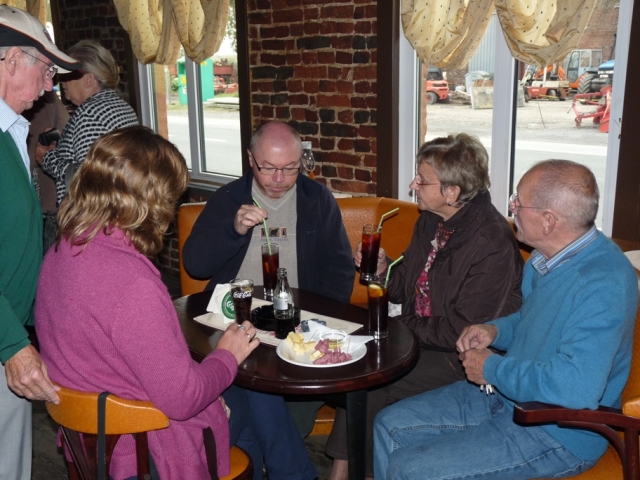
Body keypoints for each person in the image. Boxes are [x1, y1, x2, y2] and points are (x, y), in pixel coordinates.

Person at [35, 126, 317, 480]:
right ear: (151, 201)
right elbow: (183, 399)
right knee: (251, 390)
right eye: (171, 198)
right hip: (142, 449)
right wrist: (227, 355)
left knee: (245, 397)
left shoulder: (63, 249)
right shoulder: (132, 282)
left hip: (91, 435)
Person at [374, 160, 638, 479]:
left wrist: (492, 369)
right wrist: (495, 330)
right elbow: (530, 320)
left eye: (517, 202)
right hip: (506, 397)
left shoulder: (604, 284)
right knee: (388, 424)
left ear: (548, 221)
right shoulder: (544, 259)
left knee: (410, 468)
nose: (511, 208)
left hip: (556, 431)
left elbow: (575, 389)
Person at [325, 133, 524, 479]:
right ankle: (344, 471)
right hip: (421, 337)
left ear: (452, 192)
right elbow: (403, 289)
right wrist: (383, 270)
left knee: (372, 376)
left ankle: (359, 472)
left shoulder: (491, 242)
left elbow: (461, 330)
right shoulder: (431, 219)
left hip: (463, 355)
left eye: (421, 179)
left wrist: (396, 329)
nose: (412, 185)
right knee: (363, 366)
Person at [183, 121, 355, 435]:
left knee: (286, 410)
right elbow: (195, 264)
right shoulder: (228, 199)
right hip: (234, 324)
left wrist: (313, 323)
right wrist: (233, 231)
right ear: (250, 159)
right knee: (251, 408)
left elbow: (340, 271)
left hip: (296, 329)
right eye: (268, 168)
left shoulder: (317, 200)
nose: (279, 179)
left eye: (290, 168)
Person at [0, 5, 82, 479]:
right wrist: (13, 344)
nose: (51, 85)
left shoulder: (12, 129)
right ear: (12, 61)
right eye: (46, 69)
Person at [37, 39, 138, 207]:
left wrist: (48, 159)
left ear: (89, 79)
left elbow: (89, 178)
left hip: (95, 215)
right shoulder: (121, 106)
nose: (61, 80)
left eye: (67, 73)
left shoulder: (89, 114)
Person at [23, 89, 69, 252]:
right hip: (56, 198)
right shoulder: (48, 98)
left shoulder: (35, 100)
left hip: (46, 200)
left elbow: (31, 155)